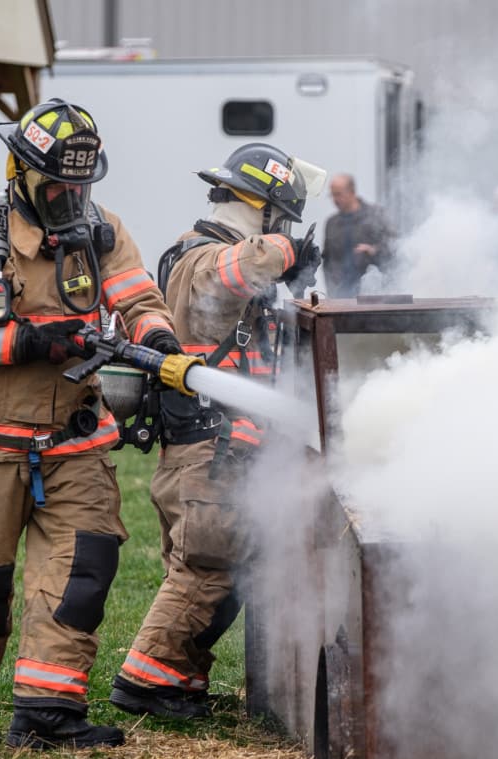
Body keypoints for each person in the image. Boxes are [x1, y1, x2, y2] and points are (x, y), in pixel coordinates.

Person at [0, 98, 180, 749]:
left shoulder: (101, 230)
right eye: (58, 182)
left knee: (80, 574)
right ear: (22, 171)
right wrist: (33, 341)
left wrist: (163, 345)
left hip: (73, 443)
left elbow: (137, 298)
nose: (71, 194)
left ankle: (47, 715)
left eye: (82, 183)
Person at [107, 143, 324, 720]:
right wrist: (288, 249)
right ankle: (145, 684)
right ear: (262, 210)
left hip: (211, 448)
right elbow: (242, 267)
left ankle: (179, 683)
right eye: (281, 222)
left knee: (212, 570)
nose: (284, 236)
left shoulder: (200, 255)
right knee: (210, 567)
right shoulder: (205, 258)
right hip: (211, 448)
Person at [321, 173, 394, 298]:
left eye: (338, 194)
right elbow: (327, 261)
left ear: (352, 192)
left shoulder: (376, 215)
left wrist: (373, 250)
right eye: (332, 195)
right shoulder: (331, 223)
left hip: (372, 296)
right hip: (340, 297)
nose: (335, 200)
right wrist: (331, 291)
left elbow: (394, 246)